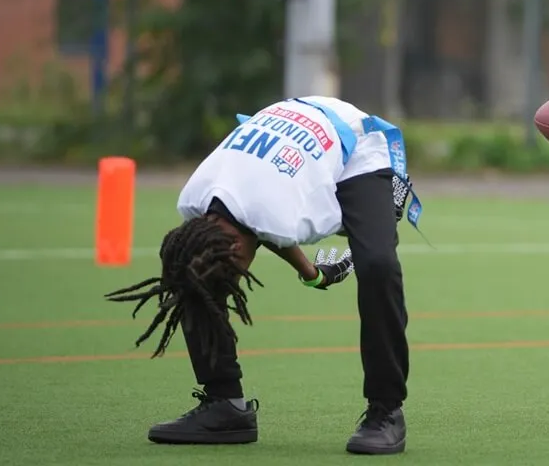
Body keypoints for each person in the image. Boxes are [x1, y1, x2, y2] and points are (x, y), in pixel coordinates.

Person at [104, 95, 422, 455]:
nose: (236, 282)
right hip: (287, 133)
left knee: (378, 264)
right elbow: (266, 227)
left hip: (353, 141)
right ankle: (224, 405)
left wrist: (377, 217)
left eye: (234, 273)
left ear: (238, 249)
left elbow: (285, 225)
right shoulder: (194, 202)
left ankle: (387, 410)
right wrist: (315, 274)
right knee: (190, 277)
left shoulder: (282, 215)